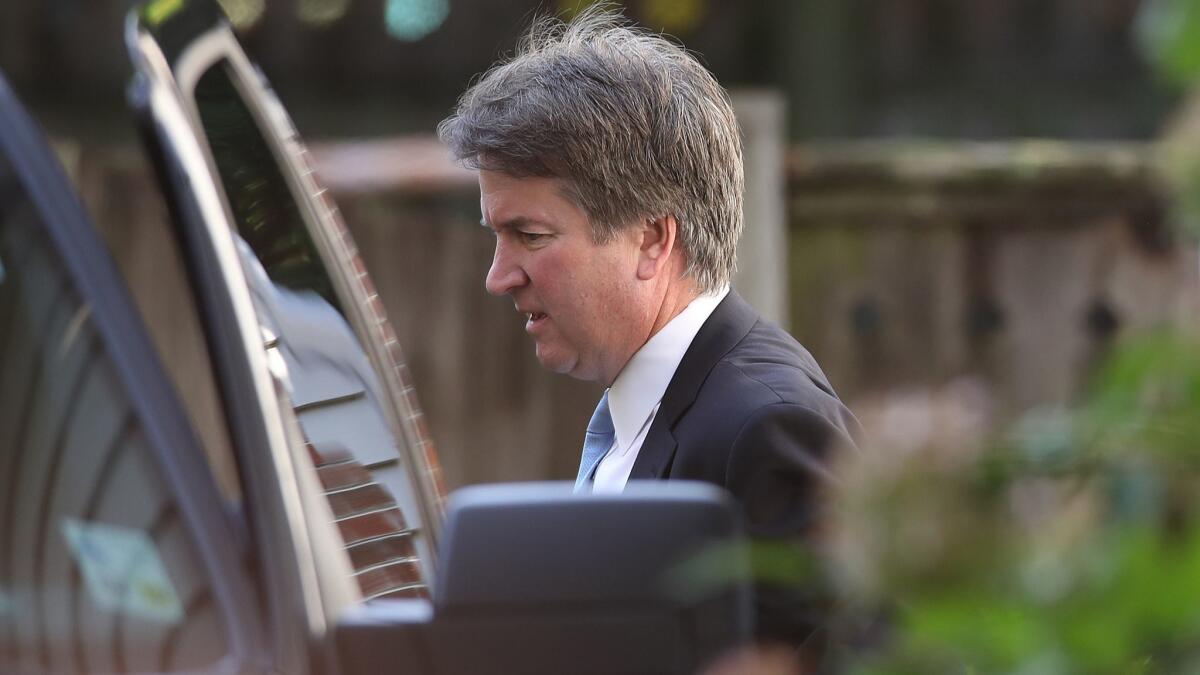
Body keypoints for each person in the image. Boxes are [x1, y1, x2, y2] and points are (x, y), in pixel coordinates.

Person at [437, 6, 862, 655]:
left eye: (529, 235)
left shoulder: (767, 427)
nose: (499, 276)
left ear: (652, 239)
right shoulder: (653, 401)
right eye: (497, 236)